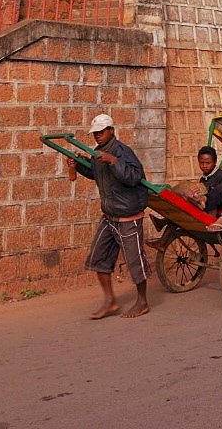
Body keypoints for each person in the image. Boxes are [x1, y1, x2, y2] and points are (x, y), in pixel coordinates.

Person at [75, 113, 151, 319]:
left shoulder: (122, 151)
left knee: (135, 262)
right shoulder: (98, 152)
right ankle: (110, 301)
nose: (97, 136)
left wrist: (114, 161)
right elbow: (95, 174)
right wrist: (79, 164)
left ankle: (142, 302)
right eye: (95, 133)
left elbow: (134, 177)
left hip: (128, 216)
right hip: (109, 215)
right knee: (99, 258)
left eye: (101, 132)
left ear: (111, 131)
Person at [197, 145, 222, 216]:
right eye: (202, 163)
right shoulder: (202, 179)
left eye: (208, 163)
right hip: (208, 207)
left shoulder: (221, 175)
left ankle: (204, 199)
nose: (204, 166)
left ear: (215, 162)